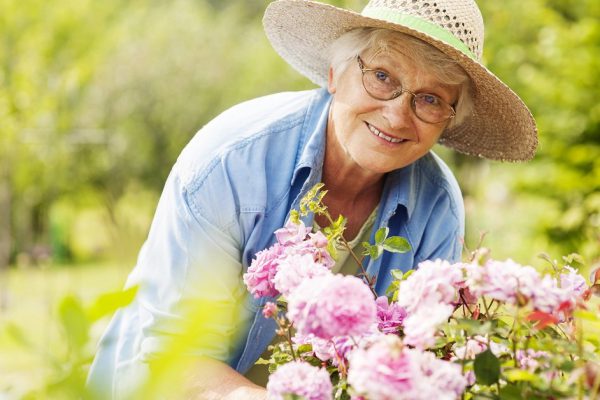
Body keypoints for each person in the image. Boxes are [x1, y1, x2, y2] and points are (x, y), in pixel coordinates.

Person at [87, 0, 538, 398]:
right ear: (335, 75)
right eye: (382, 76)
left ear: (447, 121)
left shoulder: (437, 206)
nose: (398, 114)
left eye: (430, 99)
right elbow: (176, 356)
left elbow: (415, 360)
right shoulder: (232, 163)